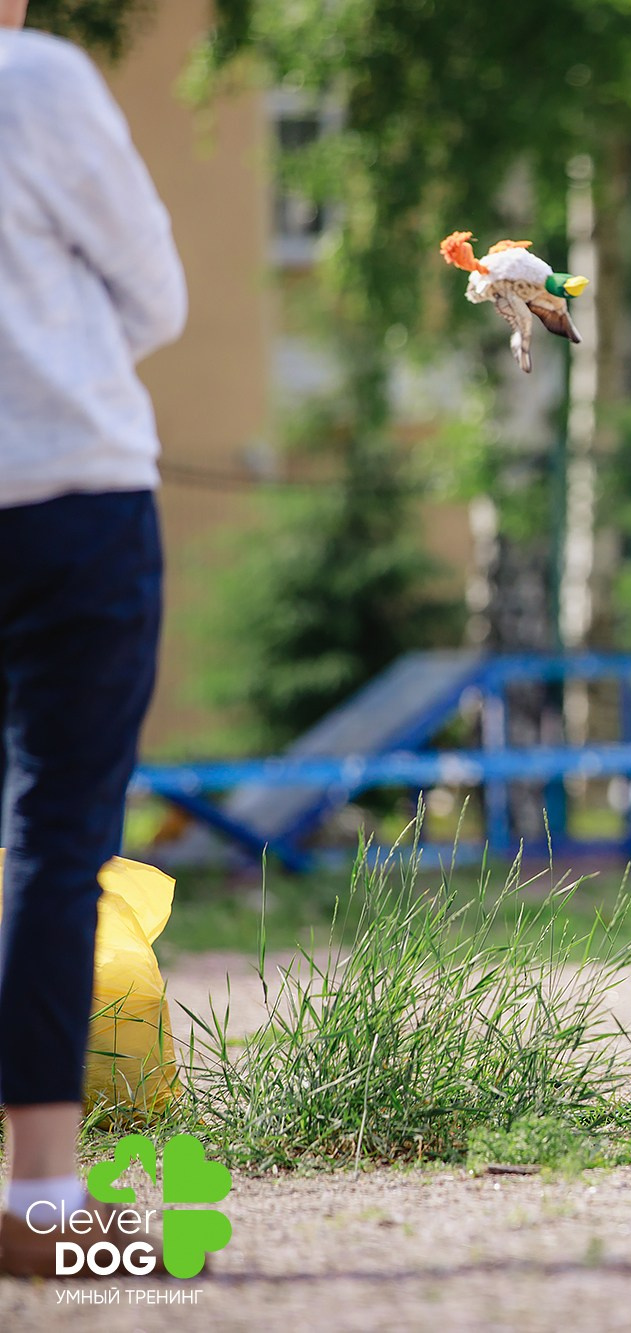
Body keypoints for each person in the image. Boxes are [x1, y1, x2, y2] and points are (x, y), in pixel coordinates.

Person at [0, 5, 187, 1277]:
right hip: (68, 493)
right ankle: (43, 1203)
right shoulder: (36, 78)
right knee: (56, 845)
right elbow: (157, 297)